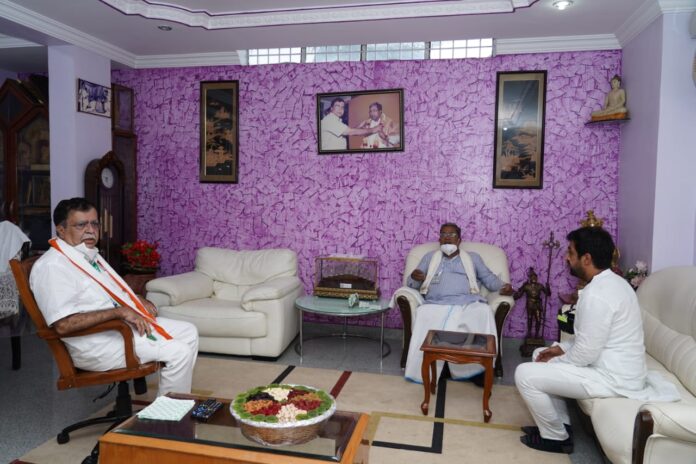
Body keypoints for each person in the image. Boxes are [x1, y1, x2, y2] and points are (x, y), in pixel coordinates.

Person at [514, 227, 678, 454]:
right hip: (607, 365)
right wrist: (559, 349)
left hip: (613, 378)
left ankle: (556, 438)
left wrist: (555, 360)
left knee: (524, 374)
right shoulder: (613, 283)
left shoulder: (598, 294)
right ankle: (560, 426)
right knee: (539, 354)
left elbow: (585, 354)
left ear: (587, 258)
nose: (566, 257)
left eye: (571, 252)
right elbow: (589, 338)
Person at [30, 198, 199, 395]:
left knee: (188, 332)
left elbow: (108, 293)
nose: (90, 230)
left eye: (94, 224)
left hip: (117, 330)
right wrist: (120, 312)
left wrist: (136, 299)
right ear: (61, 229)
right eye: (81, 225)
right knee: (179, 352)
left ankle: (174, 403)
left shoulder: (86, 254)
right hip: (96, 344)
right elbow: (63, 325)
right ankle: (168, 414)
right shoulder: (53, 266)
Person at [404, 223, 514, 383]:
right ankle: (435, 367)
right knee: (423, 313)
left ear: (459, 240)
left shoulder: (473, 258)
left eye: (452, 234)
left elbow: (490, 280)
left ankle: (478, 370)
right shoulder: (429, 257)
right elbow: (412, 283)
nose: (447, 238)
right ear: (439, 239)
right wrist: (414, 278)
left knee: (483, 312)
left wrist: (504, 287)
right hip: (436, 303)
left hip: (467, 302)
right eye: (443, 234)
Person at [513, 267, 550, 340]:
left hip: (537, 304)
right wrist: (514, 295)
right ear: (530, 278)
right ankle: (529, 333)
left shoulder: (540, 286)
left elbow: (548, 294)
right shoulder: (527, 286)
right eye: (532, 277)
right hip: (530, 304)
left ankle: (537, 334)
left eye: (535, 277)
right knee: (529, 318)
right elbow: (519, 295)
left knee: (538, 319)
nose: (534, 278)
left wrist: (548, 287)